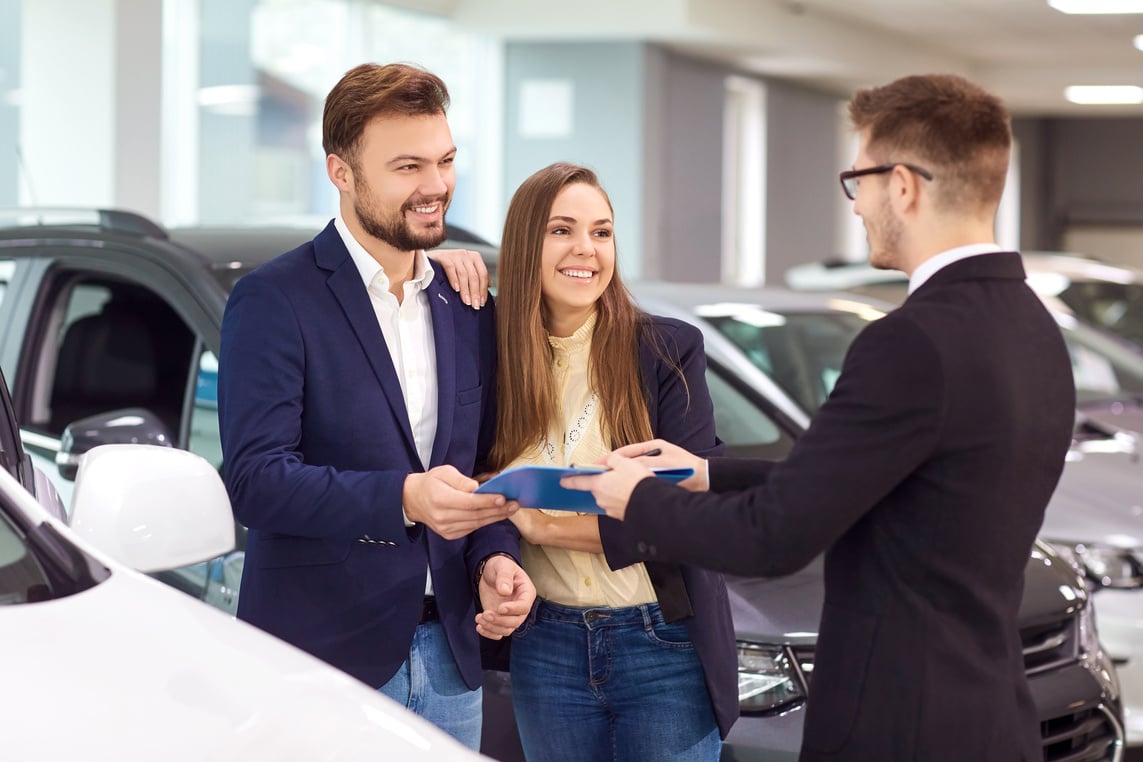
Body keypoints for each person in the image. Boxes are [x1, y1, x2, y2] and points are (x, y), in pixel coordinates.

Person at [565, 74, 1076, 761]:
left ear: (902, 185)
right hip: (987, 716)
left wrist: (636, 501)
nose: (857, 204)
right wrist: (705, 474)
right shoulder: (1031, 327)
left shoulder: (911, 342)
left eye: (857, 179)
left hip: (899, 728)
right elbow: (894, 479)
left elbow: (773, 540)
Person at [217, 62, 535, 750]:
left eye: (446, 161)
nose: (435, 187)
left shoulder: (467, 304)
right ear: (341, 172)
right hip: (317, 659)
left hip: (451, 660)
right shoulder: (276, 300)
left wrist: (493, 557)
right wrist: (404, 498)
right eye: (407, 167)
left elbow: (476, 471)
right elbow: (255, 482)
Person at [481, 162, 738, 762]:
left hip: (662, 641)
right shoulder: (487, 355)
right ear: (525, 245)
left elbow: (683, 510)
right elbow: (474, 481)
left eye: (602, 232)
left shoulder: (667, 351)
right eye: (561, 230)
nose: (586, 250)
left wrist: (543, 527)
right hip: (544, 643)